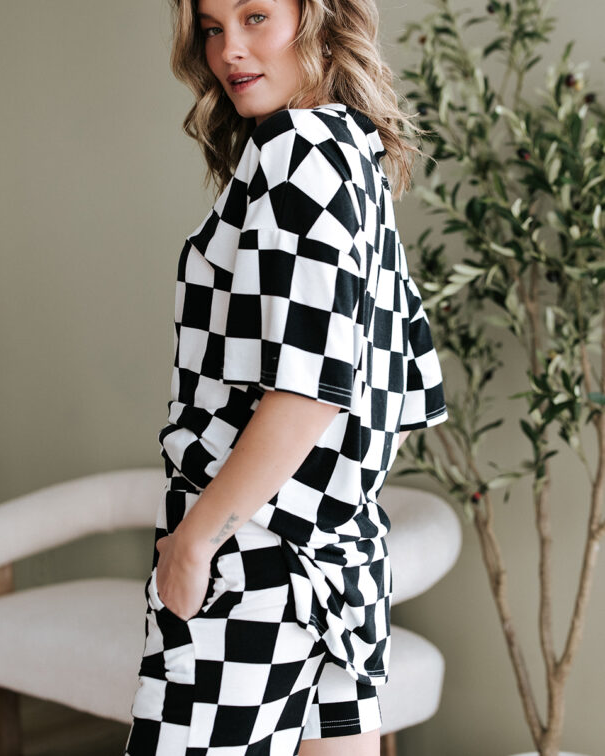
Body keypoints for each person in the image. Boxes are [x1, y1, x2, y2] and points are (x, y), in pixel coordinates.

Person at [123, 0, 448, 753]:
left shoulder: (297, 152)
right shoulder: (353, 154)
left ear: (320, 19)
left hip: (251, 555)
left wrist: (197, 541)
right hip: (342, 556)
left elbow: (309, 391)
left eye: (255, 17)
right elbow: (387, 389)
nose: (228, 50)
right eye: (212, 27)